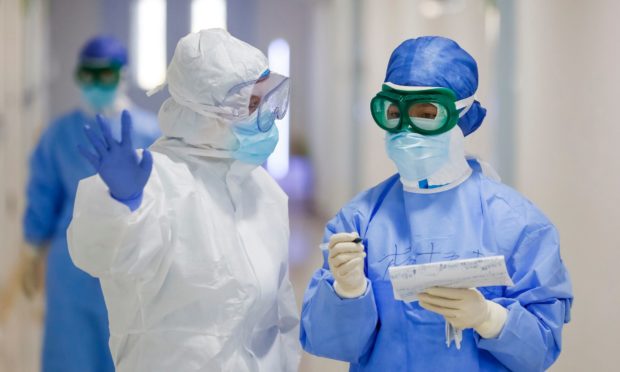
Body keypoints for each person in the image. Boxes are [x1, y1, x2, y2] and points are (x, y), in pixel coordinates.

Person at [300, 36, 572, 371]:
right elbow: (328, 343)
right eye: (395, 113)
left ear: (463, 116)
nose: (406, 130)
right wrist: (348, 293)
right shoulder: (359, 220)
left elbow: (541, 350)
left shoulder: (519, 225)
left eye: (427, 114)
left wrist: (491, 318)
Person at [67, 29, 301, 372]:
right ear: (206, 112)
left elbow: (279, 316)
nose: (267, 115)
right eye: (252, 104)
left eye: (268, 99)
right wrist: (121, 203)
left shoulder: (263, 192)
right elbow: (99, 255)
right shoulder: (157, 185)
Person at [22, 35, 160, 372]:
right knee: (72, 354)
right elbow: (43, 198)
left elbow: (164, 206)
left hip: (135, 261)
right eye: (88, 75)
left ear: (123, 76)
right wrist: (31, 253)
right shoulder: (59, 135)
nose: (96, 84)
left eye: (105, 75)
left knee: (132, 353)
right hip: (72, 272)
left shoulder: (150, 132)